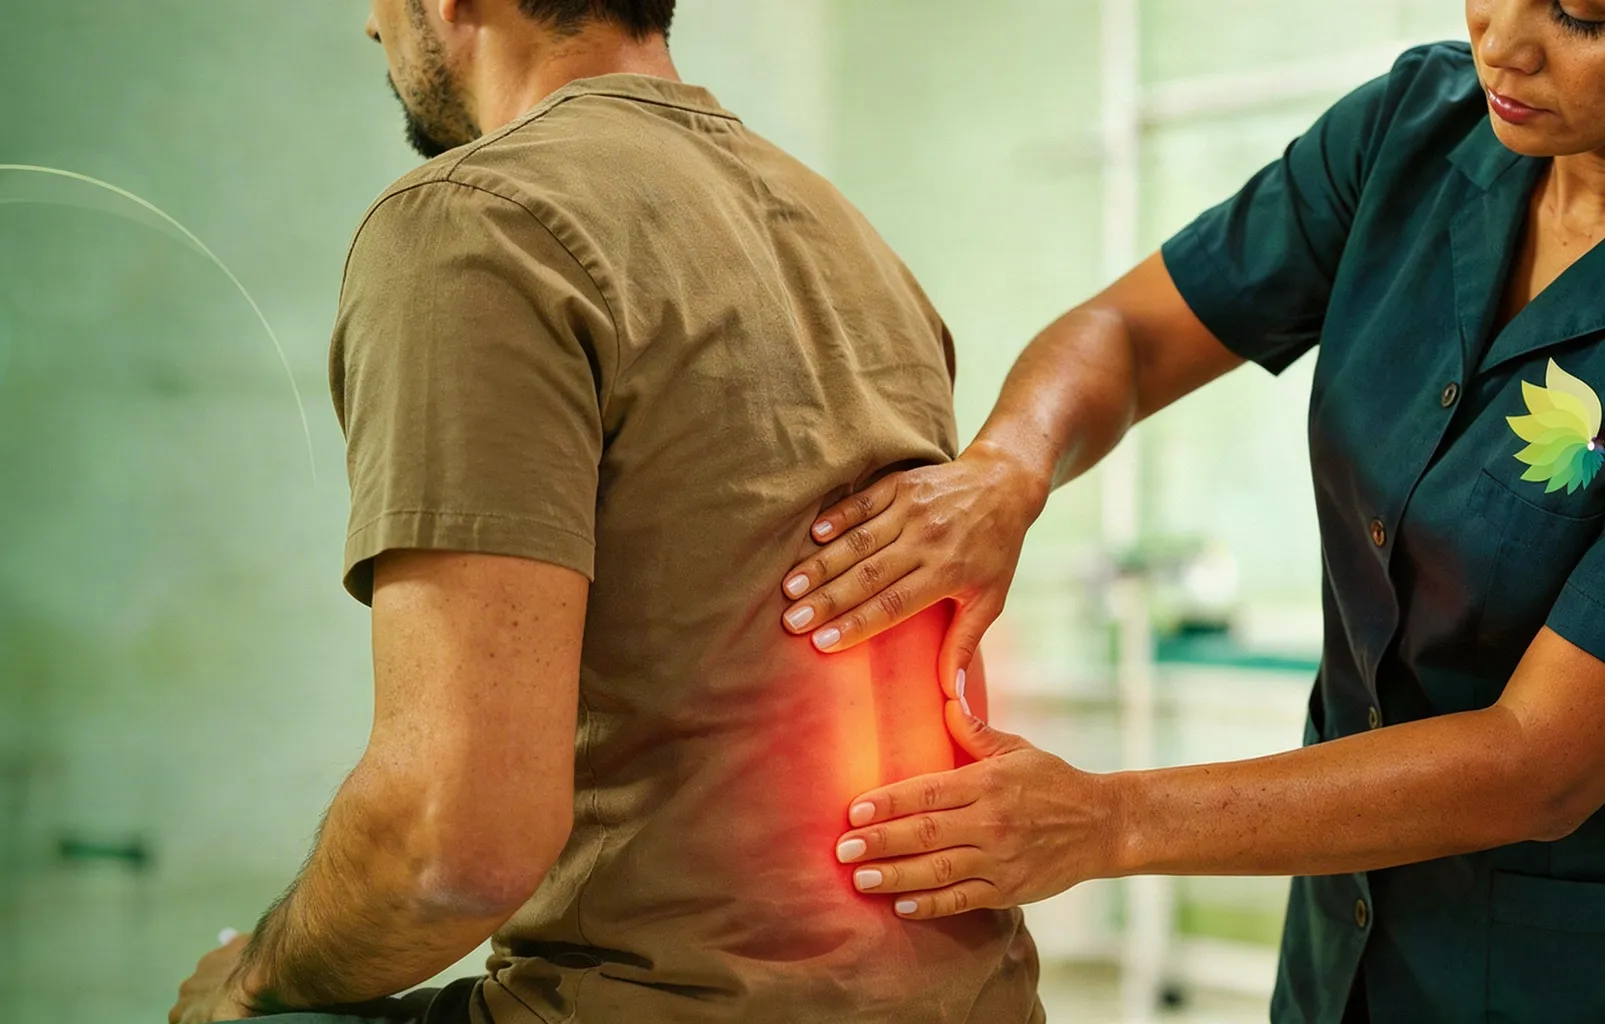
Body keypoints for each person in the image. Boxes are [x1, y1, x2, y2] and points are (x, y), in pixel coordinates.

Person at [168, 1, 1043, 1022]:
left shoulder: (471, 220)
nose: (370, 28)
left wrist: (251, 977)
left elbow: (448, 846)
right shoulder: (848, 236)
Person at [778, 2, 1605, 1021]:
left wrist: (1108, 821)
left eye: (1583, 19)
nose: (1504, 43)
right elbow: (1129, 333)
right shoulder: (1415, 132)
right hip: (1335, 960)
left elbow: (1542, 763)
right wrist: (1006, 467)